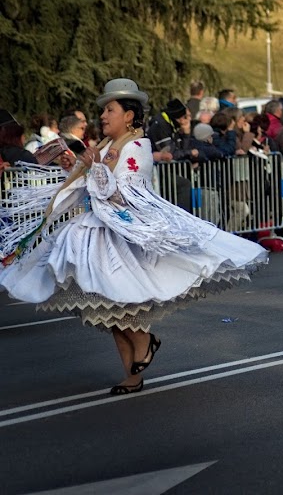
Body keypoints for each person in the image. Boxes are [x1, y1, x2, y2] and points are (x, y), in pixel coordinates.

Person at [0, 79, 267, 395]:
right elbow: (88, 186)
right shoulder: (103, 146)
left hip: (121, 233)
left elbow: (124, 193)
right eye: (103, 111)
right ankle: (133, 371)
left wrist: (94, 169)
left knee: (115, 300)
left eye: (110, 110)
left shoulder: (137, 147)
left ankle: (142, 344)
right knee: (102, 304)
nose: (103, 116)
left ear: (128, 115)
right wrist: (75, 167)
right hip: (94, 230)